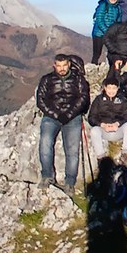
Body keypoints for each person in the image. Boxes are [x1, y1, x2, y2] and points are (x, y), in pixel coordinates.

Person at [36, 54, 90, 194]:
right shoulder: (46, 79)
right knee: (45, 144)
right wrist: (56, 114)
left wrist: (69, 114)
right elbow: (40, 100)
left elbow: (83, 98)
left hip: (73, 117)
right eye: (59, 66)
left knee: (72, 151)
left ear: (69, 65)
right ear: (54, 65)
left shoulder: (78, 79)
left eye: (64, 65)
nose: (61, 69)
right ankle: (47, 176)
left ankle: (69, 183)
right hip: (51, 117)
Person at [88, 77, 127, 161]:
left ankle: (125, 155)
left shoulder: (122, 100)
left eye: (114, 88)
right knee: (94, 131)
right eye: (109, 88)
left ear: (117, 88)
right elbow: (92, 117)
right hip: (104, 130)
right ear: (105, 88)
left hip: (118, 130)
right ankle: (101, 158)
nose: (111, 91)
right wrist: (102, 125)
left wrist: (117, 123)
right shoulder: (98, 100)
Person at [91, 0, 121, 64]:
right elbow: (99, 20)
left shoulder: (118, 7)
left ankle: (111, 67)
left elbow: (118, 21)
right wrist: (108, 31)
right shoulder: (103, 5)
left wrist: (116, 31)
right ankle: (93, 67)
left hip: (110, 34)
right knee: (97, 53)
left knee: (112, 52)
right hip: (99, 33)